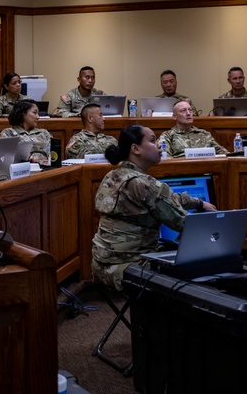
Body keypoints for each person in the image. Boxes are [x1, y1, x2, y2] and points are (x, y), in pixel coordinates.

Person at [91, 124, 216, 290]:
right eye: (152, 140)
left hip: (100, 265)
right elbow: (184, 223)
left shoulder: (113, 175)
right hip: (131, 267)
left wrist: (198, 202)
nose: (159, 145)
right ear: (135, 149)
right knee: (200, 266)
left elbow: (165, 199)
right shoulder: (146, 184)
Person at [158, 100, 230, 158]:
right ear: (174, 116)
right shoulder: (167, 136)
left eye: (190, 110)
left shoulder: (204, 134)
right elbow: (164, 158)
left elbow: (222, 152)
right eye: (183, 111)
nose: (188, 113)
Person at [0, 99, 51, 165]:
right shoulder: (8, 133)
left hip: (46, 169)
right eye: (34, 113)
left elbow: (54, 154)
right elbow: (2, 159)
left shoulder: (44, 133)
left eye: (38, 113)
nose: (38, 117)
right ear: (23, 113)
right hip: (20, 170)